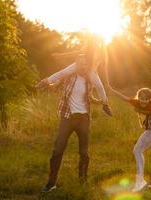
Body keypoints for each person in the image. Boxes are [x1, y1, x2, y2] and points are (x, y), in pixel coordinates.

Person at [36, 53, 101, 193]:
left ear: (87, 65)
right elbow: (55, 83)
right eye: (79, 63)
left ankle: (82, 181)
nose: (82, 66)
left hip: (83, 118)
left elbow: (89, 97)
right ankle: (51, 182)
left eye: (84, 64)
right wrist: (47, 83)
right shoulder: (68, 75)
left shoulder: (90, 79)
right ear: (75, 64)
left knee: (84, 152)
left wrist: (101, 102)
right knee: (57, 150)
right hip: (67, 117)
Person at [48, 35, 112, 116]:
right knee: (65, 72)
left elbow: (103, 66)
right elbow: (74, 53)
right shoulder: (87, 49)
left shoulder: (102, 52)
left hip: (91, 71)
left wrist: (101, 76)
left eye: (98, 41)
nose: (96, 43)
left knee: (99, 86)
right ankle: (51, 83)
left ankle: (105, 106)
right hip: (81, 66)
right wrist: (61, 55)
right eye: (94, 41)